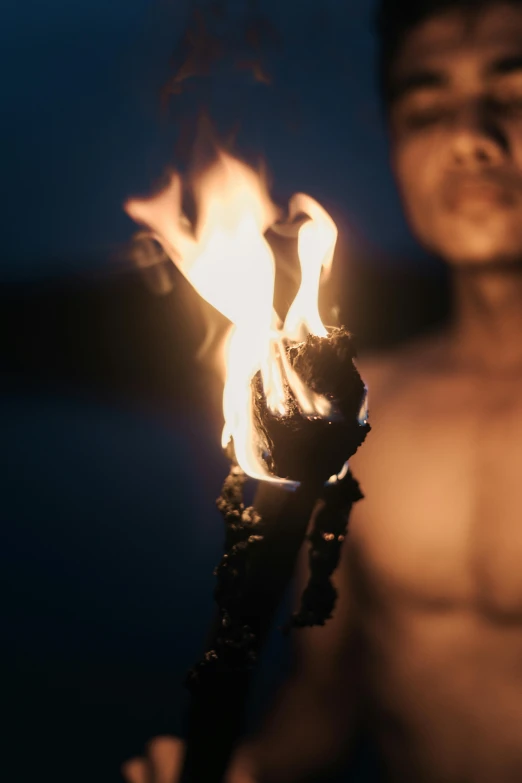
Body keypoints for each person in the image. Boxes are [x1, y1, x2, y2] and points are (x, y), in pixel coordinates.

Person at [122, 0, 522, 780]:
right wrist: (251, 769)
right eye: (427, 107)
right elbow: (330, 689)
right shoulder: (362, 417)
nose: (470, 138)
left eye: (516, 95)